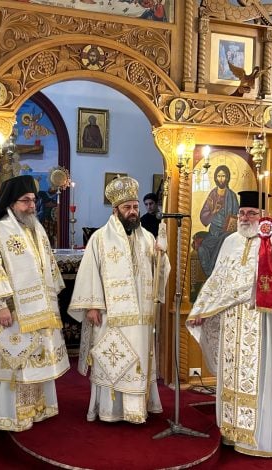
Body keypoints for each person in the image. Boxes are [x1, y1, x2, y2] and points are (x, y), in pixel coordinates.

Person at [187, 190, 272, 457]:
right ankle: (232, 433)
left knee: (260, 379)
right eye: (242, 213)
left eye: (251, 213)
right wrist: (203, 310)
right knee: (231, 377)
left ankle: (261, 439)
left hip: (263, 327)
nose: (245, 218)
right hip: (232, 326)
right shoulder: (230, 242)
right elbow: (217, 281)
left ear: (263, 215)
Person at [0, 175, 69, 431]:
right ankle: (9, 416)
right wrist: (0, 305)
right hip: (12, 314)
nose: (32, 206)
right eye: (26, 201)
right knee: (14, 364)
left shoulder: (37, 229)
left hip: (39, 313)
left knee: (33, 361)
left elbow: (47, 269)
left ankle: (37, 409)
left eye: (33, 200)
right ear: (11, 203)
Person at [68, 176, 170, 424]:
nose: (133, 212)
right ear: (115, 210)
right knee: (112, 361)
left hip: (141, 317)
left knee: (138, 361)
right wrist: (93, 305)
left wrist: (161, 257)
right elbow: (90, 272)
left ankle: (136, 410)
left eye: (135, 206)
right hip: (109, 316)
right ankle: (110, 411)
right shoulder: (100, 239)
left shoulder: (147, 237)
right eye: (128, 207)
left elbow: (159, 273)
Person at [197, 165, 239, 276]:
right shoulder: (213, 195)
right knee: (202, 249)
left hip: (227, 233)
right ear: (215, 177)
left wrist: (229, 229)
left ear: (227, 178)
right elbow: (203, 215)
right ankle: (210, 276)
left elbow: (236, 216)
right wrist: (214, 211)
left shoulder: (232, 196)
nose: (221, 179)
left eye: (223, 176)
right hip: (213, 233)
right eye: (219, 176)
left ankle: (214, 275)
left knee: (223, 243)